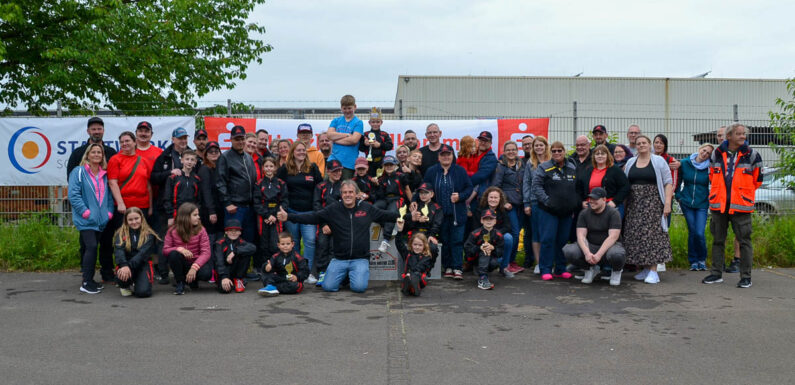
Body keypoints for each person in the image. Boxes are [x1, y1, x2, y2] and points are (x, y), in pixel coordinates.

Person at [276, 180, 399, 293]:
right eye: (344, 192)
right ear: (341, 194)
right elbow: (313, 217)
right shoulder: (334, 209)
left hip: (360, 259)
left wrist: (406, 217)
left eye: (351, 192)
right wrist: (289, 217)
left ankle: (350, 275)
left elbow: (386, 215)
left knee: (359, 288)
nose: (348, 195)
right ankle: (345, 276)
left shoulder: (366, 208)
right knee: (328, 287)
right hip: (339, 259)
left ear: (357, 194)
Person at [702, 124, 762, 289]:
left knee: (744, 241)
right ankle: (716, 274)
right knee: (718, 240)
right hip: (719, 205)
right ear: (729, 136)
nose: (743, 136)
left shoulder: (752, 155)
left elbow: (757, 180)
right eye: (739, 134)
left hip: (741, 206)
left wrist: (742, 194)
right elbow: (712, 175)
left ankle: (746, 277)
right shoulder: (716, 153)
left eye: (744, 134)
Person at [67, 117, 118, 285]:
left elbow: (111, 184)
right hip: (87, 213)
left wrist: (109, 212)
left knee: (105, 243)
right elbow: (73, 185)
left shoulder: (111, 153)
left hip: (104, 213)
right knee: (88, 245)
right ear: (88, 131)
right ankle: (86, 275)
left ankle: (107, 272)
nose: (97, 131)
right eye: (93, 129)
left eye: (99, 128)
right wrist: (85, 211)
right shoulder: (77, 155)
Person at [623, 135, 673, 284]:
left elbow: (668, 182)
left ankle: (653, 271)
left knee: (653, 237)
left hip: (653, 205)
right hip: (635, 205)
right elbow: (626, 183)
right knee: (637, 236)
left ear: (649, 144)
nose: (641, 145)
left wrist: (668, 203)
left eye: (644, 143)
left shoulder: (658, 161)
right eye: (638, 143)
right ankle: (645, 268)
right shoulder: (631, 162)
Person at [150, 127, 195, 283]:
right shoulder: (164, 156)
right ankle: (163, 273)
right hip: (166, 207)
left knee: (186, 240)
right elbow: (154, 177)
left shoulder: (191, 155)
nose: (183, 141)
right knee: (165, 240)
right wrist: (169, 173)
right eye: (180, 138)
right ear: (173, 139)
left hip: (188, 209)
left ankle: (184, 274)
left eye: (185, 138)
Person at [276, 140, 324, 284]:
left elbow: (320, 187)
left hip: (309, 213)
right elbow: (279, 188)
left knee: (309, 241)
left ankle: (307, 272)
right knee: (293, 243)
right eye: (299, 150)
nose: (302, 152)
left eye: (304, 150)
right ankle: (294, 272)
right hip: (291, 213)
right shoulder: (284, 169)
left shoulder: (313, 168)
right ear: (292, 152)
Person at [532, 141, 580, 281]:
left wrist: (573, 204)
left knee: (562, 241)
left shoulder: (572, 166)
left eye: (560, 150)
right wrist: (548, 201)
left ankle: (560, 269)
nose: (557, 153)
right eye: (554, 151)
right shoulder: (543, 167)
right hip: (548, 211)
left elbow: (576, 188)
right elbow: (536, 187)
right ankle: (545, 269)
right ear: (550, 152)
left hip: (566, 212)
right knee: (548, 240)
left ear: (565, 151)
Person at [423, 144, 473, 280]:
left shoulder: (460, 171)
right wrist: (416, 200)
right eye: (443, 155)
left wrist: (460, 196)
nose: (445, 157)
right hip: (439, 215)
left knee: (457, 241)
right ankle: (448, 267)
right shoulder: (432, 171)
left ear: (452, 156)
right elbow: (424, 187)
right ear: (438, 157)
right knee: (444, 240)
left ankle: (457, 267)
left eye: (448, 154)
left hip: (458, 214)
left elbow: (469, 188)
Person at [215, 125, 258, 279]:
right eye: (237, 139)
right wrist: (227, 202)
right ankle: (228, 274)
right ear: (231, 139)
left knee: (247, 241)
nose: (240, 141)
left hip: (249, 207)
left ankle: (243, 272)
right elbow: (220, 182)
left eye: (242, 138)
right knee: (232, 242)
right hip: (235, 207)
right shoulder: (225, 157)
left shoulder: (247, 157)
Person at [563, 187, 625, 286]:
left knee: (617, 254)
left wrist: (598, 255)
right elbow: (581, 236)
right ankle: (589, 269)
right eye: (591, 198)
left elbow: (613, 237)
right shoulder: (584, 213)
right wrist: (587, 253)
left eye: (595, 199)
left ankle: (616, 271)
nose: (591, 201)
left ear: (604, 199)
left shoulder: (613, 213)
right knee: (569, 250)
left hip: (609, 247)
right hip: (591, 245)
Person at [676, 143, 714, 271]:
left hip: (702, 203)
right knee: (692, 231)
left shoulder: (709, 167)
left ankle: (702, 259)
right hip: (686, 202)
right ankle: (693, 261)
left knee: (699, 232)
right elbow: (678, 180)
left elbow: (714, 184)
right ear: (699, 149)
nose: (705, 154)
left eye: (708, 153)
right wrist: (678, 196)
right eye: (704, 150)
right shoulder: (686, 163)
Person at [107, 131, 153, 233]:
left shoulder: (143, 161)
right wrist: (120, 203)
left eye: (127, 141)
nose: (124, 144)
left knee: (142, 235)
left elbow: (148, 185)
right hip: (123, 206)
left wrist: (150, 207)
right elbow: (112, 183)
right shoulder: (115, 159)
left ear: (135, 142)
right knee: (123, 235)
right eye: (122, 142)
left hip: (142, 205)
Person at [163, 203, 212, 295]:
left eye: (198, 214)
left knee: (206, 274)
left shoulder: (201, 230)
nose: (198, 217)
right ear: (185, 217)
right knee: (173, 254)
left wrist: (194, 267)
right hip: (182, 263)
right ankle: (180, 282)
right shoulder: (172, 230)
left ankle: (192, 280)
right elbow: (165, 250)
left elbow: (206, 252)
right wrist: (179, 249)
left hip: (195, 262)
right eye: (195, 215)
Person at [492, 141, 525, 274]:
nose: (511, 152)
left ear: (517, 151)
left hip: (521, 203)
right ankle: (508, 262)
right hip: (509, 206)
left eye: (513, 149)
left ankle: (511, 261)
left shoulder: (521, 165)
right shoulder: (501, 167)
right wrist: (504, 202)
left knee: (518, 232)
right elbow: (496, 186)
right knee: (515, 233)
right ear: (504, 152)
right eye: (508, 150)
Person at [114, 207, 159, 297]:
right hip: (125, 264)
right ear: (126, 221)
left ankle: (138, 281)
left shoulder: (149, 235)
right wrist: (124, 265)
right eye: (130, 220)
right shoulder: (120, 233)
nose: (134, 222)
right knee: (121, 276)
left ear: (141, 218)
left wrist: (128, 267)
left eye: (136, 218)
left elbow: (142, 254)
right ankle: (125, 285)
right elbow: (119, 250)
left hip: (142, 264)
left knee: (143, 293)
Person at [575, 145, 630, 218]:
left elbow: (625, 187)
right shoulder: (588, 171)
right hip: (591, 206)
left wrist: (615, 201)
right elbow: (579, 188)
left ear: (608, 155)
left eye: (603, 154)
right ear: (594, 156)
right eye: (597, 154)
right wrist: (581, 201)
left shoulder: (615, 170)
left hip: (610, 206)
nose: (600, 156)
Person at [522, 135, 550, 273]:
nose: (539, 147)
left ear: (546, 146)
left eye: (541, 145)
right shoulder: (530, 163)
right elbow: (526, 183)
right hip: (534, 202)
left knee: (549, 233)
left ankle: (548, 262)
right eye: (536, 145)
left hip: (550, 203)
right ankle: (539, 263)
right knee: (536, 233)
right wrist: (526, 203)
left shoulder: (552, 161)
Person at [313, 159, 344, 285]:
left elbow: (344, 206)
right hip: (323, 224)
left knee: (334, 248)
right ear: (328, 171)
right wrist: (325, 224)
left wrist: (332, 224)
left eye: (339, 171)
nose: (337, 173)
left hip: (338, 224)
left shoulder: (345, 186)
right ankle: (322, 272)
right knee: (322, 246)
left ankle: (333, 274)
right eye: (334, 171)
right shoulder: (320, 186)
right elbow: (316, 206)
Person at [716, 125, 742, 273]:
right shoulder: (716, 154)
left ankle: (737, 260)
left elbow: (756, 179)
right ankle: (721, 262)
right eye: (719, 136)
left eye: (723, 135)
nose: (721, 138)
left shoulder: (744, 153)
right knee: (720, 233)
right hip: (720, 200)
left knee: (739, 232)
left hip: (738, 200)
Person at [254, 156, 289, 262]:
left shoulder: (281, 183)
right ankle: (265, 268)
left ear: (275, 168)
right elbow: (256, 203)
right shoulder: (258, 184)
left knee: (276, 243)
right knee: (263, 244)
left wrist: (275, 215)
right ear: (263, 168)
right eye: (266, 166)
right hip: (263, 218)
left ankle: (276, 266)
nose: (269, 169)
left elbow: (285, 201)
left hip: (277, 217)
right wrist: (267, 215)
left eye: (271, 166)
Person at [475, 187, 514, 278]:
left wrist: (495, 235)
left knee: (508, 238)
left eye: (496, 197)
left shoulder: (502, 210)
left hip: (497, 236)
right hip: (483, 237)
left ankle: (504, 268)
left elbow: (507, 227)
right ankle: (477, 265)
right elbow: (475, 228)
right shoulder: (479, 209)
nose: (493, 199)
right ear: (486, 198)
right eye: (491, 197)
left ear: (500, 199)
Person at [403, 182, 443, 271]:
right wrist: (416, 220)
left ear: (432, 194)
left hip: (429, 233)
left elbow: (437, 224)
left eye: (426, 193)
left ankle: (427, 269)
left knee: (433, 247)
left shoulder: (437, 208)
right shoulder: (414, 206)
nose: (423, 195)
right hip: (415, 233)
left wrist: (432, 235)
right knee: (412, 247)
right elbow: (407, 224)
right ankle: (410, 270)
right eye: (421, 193)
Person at [374, 155, 411, 252]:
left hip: (397, 198)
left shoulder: (401, 176)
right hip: (385, 199)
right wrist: (377, 185)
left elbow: (407, 190)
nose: (389, 167)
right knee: (374, 209)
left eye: (391, 165)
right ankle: (387, 227)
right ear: (383, 166)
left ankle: (385, 240)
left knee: (391, 213)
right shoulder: (381, 178)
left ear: (395, 165)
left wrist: (412, 202)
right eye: (386, 165)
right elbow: (380, 195)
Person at [258, 232, 310, 296]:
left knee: (296, 286)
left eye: (288, 244)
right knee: (267, 275)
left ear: (292, 244)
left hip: (291, 280)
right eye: (282, 244)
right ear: (278, 245)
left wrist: (297, 277)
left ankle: (274, 288)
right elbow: (268, 265)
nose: (285, 246)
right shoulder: (275, 256)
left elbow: (305, 271)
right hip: (280, 278)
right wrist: (267, 267)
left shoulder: (297, 257)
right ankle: (272, 287)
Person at [464, 209, 504, 290]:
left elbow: (501, 252)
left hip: (491, 260)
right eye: (486, 219)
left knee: (496, 261)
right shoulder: (475, 233)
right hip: (475, 259)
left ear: (495, 221)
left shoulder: (499, 235)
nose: (488, 221)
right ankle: (482, 279)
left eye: (491, 219)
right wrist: (479, 248)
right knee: (484, 249)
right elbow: (467, 250)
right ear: (482, 220)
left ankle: (484, 272)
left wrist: (493, 248)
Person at [214, 219, 257, 293]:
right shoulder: (219, 243)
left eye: (236, 230)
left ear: (240, 232)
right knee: (225, 290)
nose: (233, 233)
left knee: (246, 252)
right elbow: (219, 261)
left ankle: (239, 279)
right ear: (226, 232)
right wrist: (224, 277)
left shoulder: (241, 242)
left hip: (237, 271)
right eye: (230, 230)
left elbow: (253, 248)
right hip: (224, 271)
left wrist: (235, 252)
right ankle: (225, 280)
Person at [327, 94, 364, 179]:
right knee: (328, 186)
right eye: (344, 108)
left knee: (345, 188)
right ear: (341, 108)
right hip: (333, 160)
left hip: (348, 163)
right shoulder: (336, 121)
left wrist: (335, 139)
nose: (347, 111)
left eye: (349, 108)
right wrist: (347, 135)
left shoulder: (358, 122)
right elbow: (329, 135)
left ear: (355, 107)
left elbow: (354, 140)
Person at [163, 149, 201, 226]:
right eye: (187, 159)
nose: (189, 162)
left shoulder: (197, 179)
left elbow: (199, 200)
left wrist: (196, 214)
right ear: (182, 160)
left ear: (195, 162)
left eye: (192, 160)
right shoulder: (173, 178)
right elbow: (167, 198)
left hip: (191, 215)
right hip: (176, 215)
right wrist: (170, 216)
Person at [393, 229, 435, 296]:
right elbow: (399, 244)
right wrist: (400, 231)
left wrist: (410, 274)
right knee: (407, 278)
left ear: (424, 246)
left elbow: (419, 267)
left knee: (415, 275)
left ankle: (414, 288)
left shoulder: (427, 257)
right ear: (411, 244)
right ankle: (408, 288)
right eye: (415, 244)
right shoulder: (408, 254)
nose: (417, 247)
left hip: (420, 279)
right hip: (408, 277)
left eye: (420, 245)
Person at [197, 141, 224, 243]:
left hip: (220, 210)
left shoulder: (220, 169)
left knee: (220, 240)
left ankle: (219, 259)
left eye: (216, 151)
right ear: (206, 155)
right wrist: (211, 211)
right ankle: (210, 259)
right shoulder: (204, 169)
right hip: (209, 212)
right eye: (210, 151)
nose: (213, 153)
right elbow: (206, 192)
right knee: (210, 240)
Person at [359, 107, 393, 177]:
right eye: (373, 122)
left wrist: (380, 145)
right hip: (368, 163)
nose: (375, 124)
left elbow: (390, 146)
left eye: (377, 122)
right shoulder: (365, 134)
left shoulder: (384, 134)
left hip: (381, 162)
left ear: (381, 122)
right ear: (369, 123)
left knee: (380, 180)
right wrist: (365, 144)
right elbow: (360, 148)